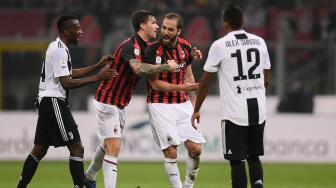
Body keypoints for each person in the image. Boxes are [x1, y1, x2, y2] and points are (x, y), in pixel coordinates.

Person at [17, 14, 117, 188]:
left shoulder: (58, 47)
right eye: (77, 28)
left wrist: (97, 66)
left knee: (39, 150)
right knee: (77, 148)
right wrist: (98, 77)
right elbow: (66, 82)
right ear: (65, 30)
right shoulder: (59, 50)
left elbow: (70, 73)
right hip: (53, 101)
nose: (81, 31)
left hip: (47, 101)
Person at [83, 10, 180, 188]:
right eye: (153, 22)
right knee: (114, 147)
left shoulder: (146, 47)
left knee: (107, 144)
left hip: (119, 103)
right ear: (142, 26)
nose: (157, 26)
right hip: (108, 100)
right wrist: (166, 67)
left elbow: (172, 48)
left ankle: (88, 177)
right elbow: (138, 69)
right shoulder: (131, 46)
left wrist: (191, 55)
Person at [191, 4, 271, 188]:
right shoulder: (260, 42)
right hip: (258, 110)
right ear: (243, 21)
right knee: (254, 156)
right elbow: (266, 77)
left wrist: (196, 109)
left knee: (237, 160)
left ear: (224, 24)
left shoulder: (219, 45)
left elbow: (205, 83)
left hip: (235, 112)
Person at [144, 12, 206, 188]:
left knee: (196, 149)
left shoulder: (186, 48)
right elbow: (155, 84)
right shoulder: (152, 50)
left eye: (170, 29)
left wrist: (194, 107)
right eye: (163, 27)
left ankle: (188, 185)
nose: (165, 32)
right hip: (159, 104)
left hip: (182, 104)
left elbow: (189, 77)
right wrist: (183, 88)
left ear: (178, 31)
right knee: (171, 151)